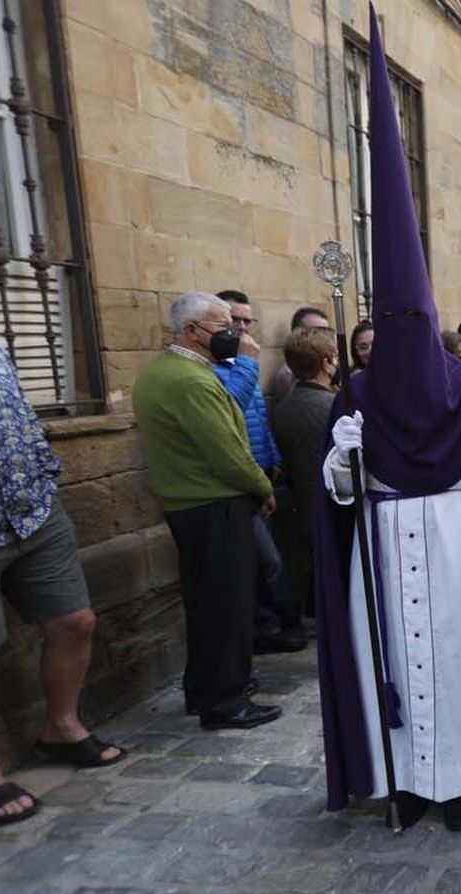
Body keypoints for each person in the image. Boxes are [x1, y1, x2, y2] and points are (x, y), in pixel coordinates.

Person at [314, 16, 461, 833]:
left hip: (450, 547)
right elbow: (335, 497)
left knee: (456, 659)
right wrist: (343, 460)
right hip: (380, 538)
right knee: (392, 659)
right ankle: (404, 778)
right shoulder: (358, 396)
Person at [0, 236, 125, 828]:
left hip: (35, 518)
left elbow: (25, 427)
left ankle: (61, 727)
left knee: (75, 621)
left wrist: (45, 479)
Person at [133, 292, 281, 730]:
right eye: (223, 326)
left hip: (193, 504)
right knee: (227, 604)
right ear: (192, 332)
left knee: (206, 602)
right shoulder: (190, 380)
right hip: (214, 503)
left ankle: (204, 688)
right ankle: (225, 700)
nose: (233, 334)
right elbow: (227, 452)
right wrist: (262, 486)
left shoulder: (166, 370)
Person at [213, 289, 302, 655]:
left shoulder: (245, 365)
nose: (244, 328)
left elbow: (260, 417)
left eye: (248, 320)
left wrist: (276, 455)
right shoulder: (218, 370)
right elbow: (226, 409)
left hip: (264, 470)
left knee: (269, 556)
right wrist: (248, 364)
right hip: (241, 479)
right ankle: (272, 626)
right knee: (266, 561)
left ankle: (270, 625)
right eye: (235, 320)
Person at [269, 326, 339, 618]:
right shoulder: (334, 405)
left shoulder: (282, 408)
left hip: (304, 506)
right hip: (333, 505)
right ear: (326, 362)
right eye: (335, 356)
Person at [269, 306, 331, 399]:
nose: (325, 337)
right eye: (316, 332)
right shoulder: (289, 373)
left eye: (327, 332)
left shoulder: (330, 364)